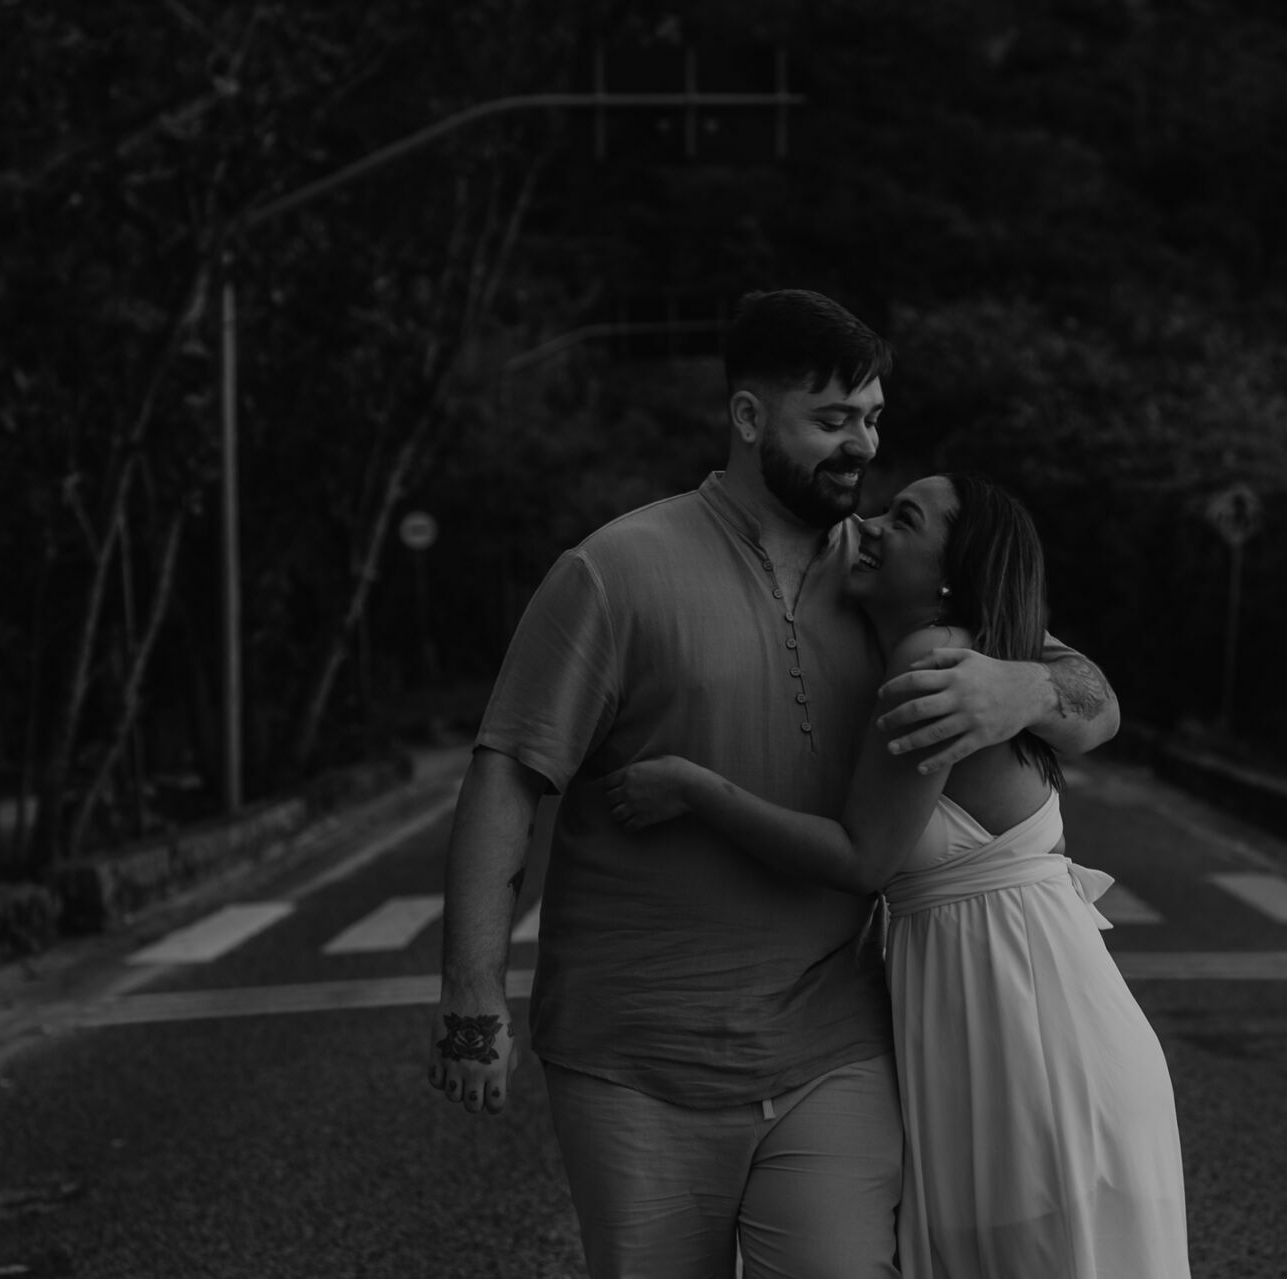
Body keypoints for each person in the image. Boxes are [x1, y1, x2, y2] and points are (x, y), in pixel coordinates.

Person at [428, 288, 1121, 1279]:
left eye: (873, 419)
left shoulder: (885, 577)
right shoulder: (615, 570)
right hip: (635, 1059)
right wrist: (471, 1000)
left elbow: (1095, 703)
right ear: (750, 420)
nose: (862, 447)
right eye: (833, 420)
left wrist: (1021, 683)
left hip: (832, 1047)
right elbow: (508, 772)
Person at [603, 472, 1193, 1279]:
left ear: (953, 573)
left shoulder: (932, 656)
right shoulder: (966, 641)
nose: (870, 524)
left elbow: (862, 858)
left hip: (1031, 1048)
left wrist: (696, 789)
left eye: (903, 519)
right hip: (1014, 1028)